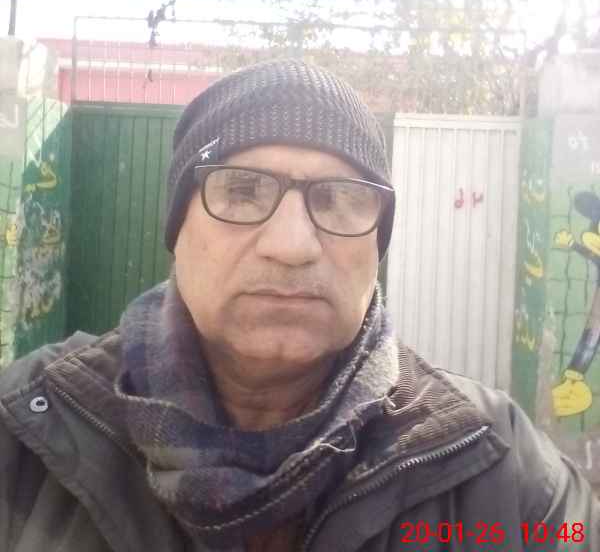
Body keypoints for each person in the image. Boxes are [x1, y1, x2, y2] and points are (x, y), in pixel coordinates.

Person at [0, 57, 597, 552]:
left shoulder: (504, 474)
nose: (292, 246)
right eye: (241, 191)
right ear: (177, 229)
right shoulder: (26, 437)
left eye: (339, 198)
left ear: (377, 244)